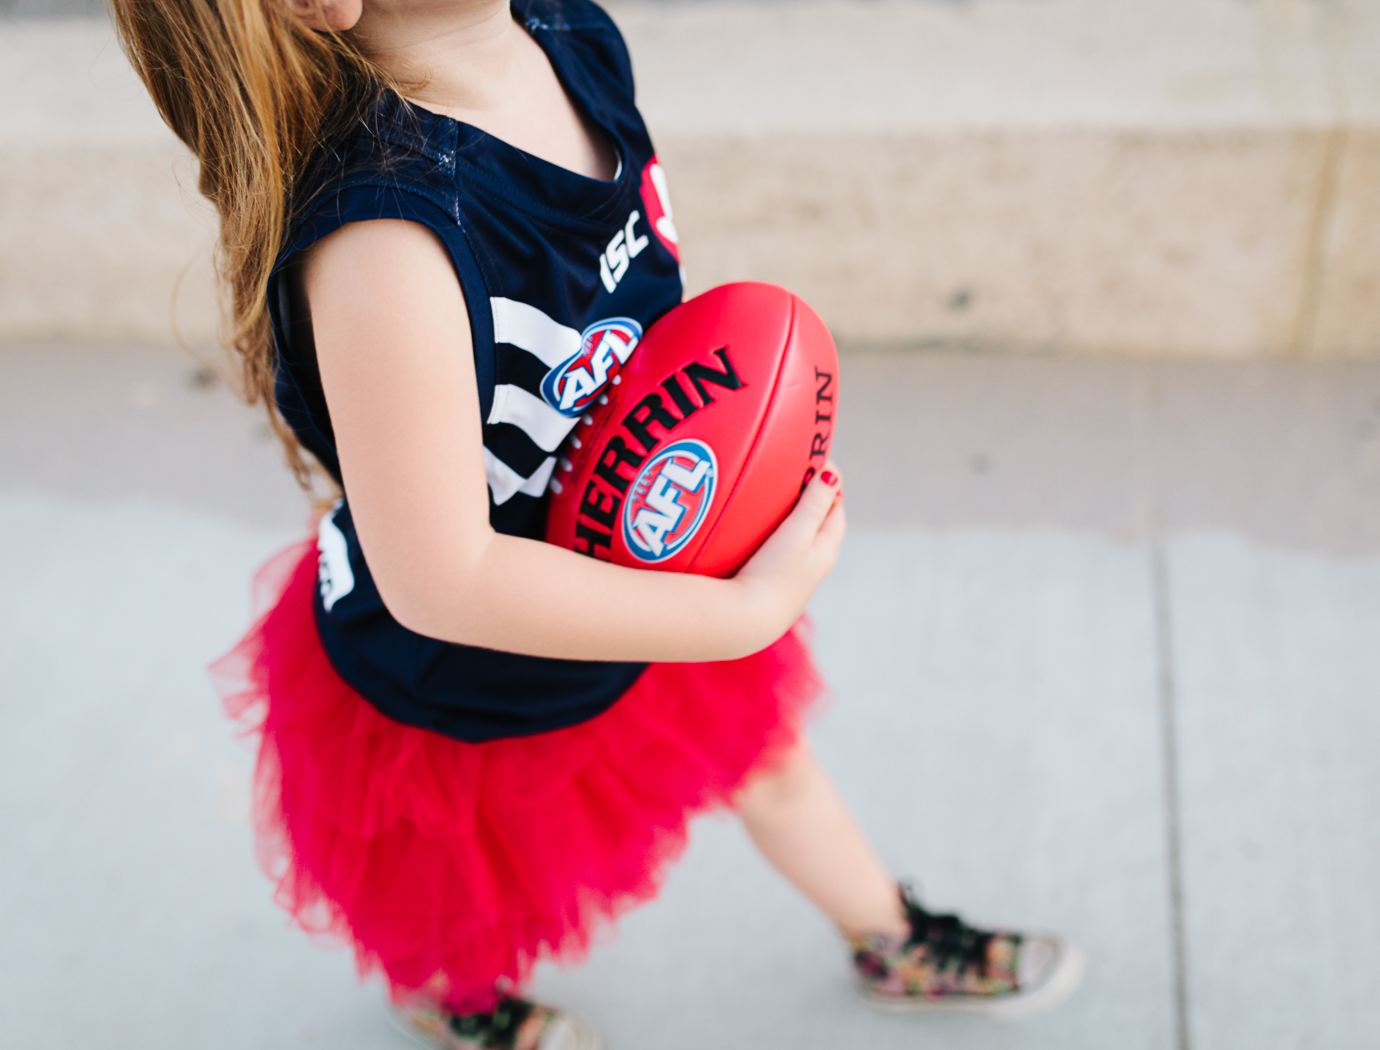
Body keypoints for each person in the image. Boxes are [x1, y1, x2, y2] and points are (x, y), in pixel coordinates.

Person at [111, 0, 1084, 1045]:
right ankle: (457, 999)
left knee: (767, 760)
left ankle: (888, 934)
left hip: (638, 562)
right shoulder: (387, 237)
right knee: (471, 889)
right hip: (475, 668)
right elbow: (442, 579)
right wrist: (734, 618)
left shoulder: (564, 32)